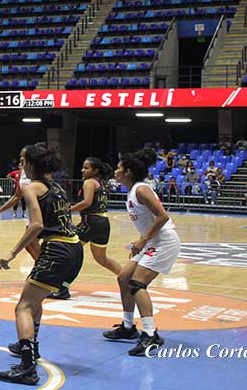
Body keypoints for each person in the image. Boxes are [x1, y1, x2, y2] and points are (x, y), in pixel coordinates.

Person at [0, 145, 83, 385]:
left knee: (22, 307)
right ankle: (30, 347)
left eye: (24, 162)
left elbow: (35, 225)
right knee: (34, 298)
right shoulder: (57, 187)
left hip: (57, 248)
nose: (21, 165)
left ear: (32, 165)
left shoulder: (31, 187)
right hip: (74, 248)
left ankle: (27, 367)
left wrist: (12, 252)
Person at [103, 148, 181, 356]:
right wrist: (143, 240)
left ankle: (150, 334)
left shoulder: (141, 190)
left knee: (137, 284)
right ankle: (128, 327)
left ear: (127, 171)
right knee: (123, 278)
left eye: (119, 168)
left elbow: (163, 216)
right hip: (151, 241)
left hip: (164, 241)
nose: (115, 172)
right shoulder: (132, 190)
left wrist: (143, 239)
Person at [49, 157, 122, 301]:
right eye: (83, 167)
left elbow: (87, 202)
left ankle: (63, 288)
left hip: (91, 222)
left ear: (95, 170)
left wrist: (68, 210)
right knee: (102, 259)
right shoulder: (100, 182)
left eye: (86, 168)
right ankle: (128, 279)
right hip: (103, 222)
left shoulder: (89, 182)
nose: (83, 170)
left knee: (69, 251)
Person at [0, 147, 41, 261]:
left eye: (24, 156)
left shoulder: (40, 172)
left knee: (32, 241)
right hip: (32, 212)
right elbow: (17, 196)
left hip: (43, 211)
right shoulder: (22, 172)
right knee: (29, 244)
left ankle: (44, 268)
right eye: (20, 156)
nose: (21, 158)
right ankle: (41, 266)